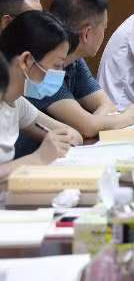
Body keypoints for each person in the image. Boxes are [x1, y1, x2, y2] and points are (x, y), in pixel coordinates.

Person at [15, 0, 134, 156]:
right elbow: (86, 127)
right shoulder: (40, 70)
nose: (60, 70)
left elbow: (100, 110)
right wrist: (125, 118)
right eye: (104, 29)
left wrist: (93, 123)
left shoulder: (72, 62)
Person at [0, 11, 83, 180]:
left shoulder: (17, 103)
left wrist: (60, 140)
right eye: (57, 65)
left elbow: (73, 136)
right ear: (26, 61)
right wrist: (37, 158)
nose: (61, 74)